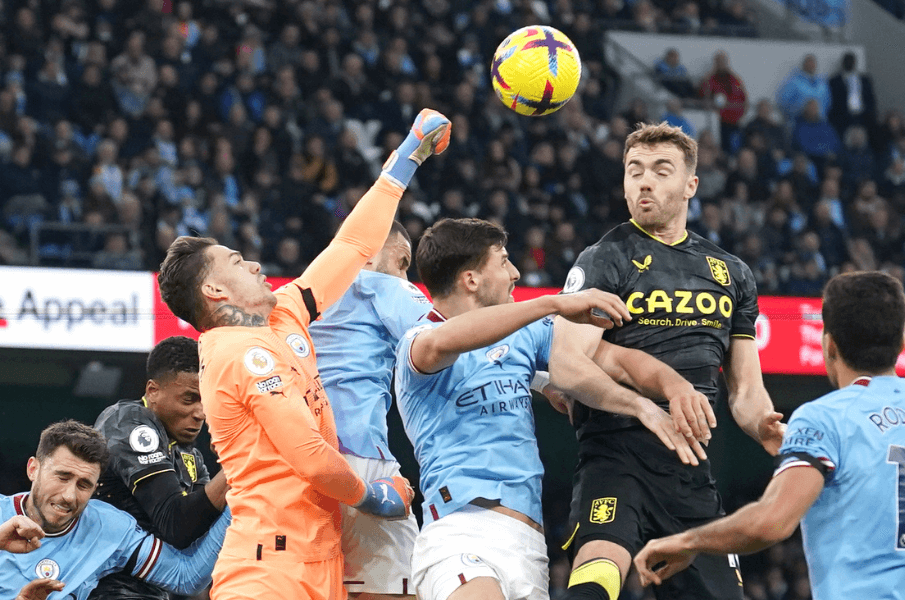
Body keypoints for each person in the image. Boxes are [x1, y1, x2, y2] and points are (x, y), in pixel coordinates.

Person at [156, 109, 451, 600]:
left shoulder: (284, 313)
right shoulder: (238, 355)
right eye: (235, 261)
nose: (252, 262)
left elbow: (354, 245)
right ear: (214, 290)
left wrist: (406, 159)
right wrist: (375, 497)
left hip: (317, 560)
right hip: (268, 570)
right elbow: (311, 457)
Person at [396, 218, 715, 600]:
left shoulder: (524, 335)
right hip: (459, 531)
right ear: (471, 280)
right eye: (503, 262)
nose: (515, 273)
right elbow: (447, 341)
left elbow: (617, 361)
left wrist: (668, 389)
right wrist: (552, 303)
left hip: (529, 544)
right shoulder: (417, 342)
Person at [633, 271, 905, 598]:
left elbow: (771, 522)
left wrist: (688, 541)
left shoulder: (825, 418)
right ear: (903, 342)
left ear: (830, 345)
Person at [554, 122, 784, 600]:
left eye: (661, 171)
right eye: (634, 170)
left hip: (690, 469)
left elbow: (743, 388)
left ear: (690, 186)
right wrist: (643, 407)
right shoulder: (604, 258)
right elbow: (568, 366)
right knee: (597, 579)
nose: (644, 181)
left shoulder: (732, 273)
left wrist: (762, 424)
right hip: (615, 457)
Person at [308, 219, 430, 599]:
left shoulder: (303, 297)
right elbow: (446, 340)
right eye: (403, 266)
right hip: (359, 459)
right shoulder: (385, 284)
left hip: (302, 462)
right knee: (398, 589)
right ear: (397, 257)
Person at [0, 420, 230, 600]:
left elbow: (185, 576)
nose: (69, 496)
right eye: (62, 477)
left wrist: (241, 483)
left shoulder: (108, 527)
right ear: (33, 469)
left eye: (84, 485)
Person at [91, 335, 229, 600]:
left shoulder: (189, 454)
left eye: (206, 400)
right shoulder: (127, 421)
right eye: (189, 399)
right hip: (105, 588)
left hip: (154, 589)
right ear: (153, 391)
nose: (200, 413)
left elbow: (197, 536)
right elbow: (177, 523)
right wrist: (240, 462)